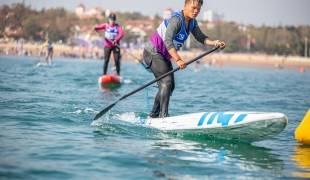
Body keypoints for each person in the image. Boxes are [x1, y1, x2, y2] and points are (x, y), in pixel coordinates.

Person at [143, 0, 226, 118]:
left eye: (198, 9)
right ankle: (163, 116)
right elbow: (168, 41)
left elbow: (201, 37)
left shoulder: (192, 22)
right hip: (152, 52)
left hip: (163, 56)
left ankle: (152, 116)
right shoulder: (177, 20)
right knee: (166, 82)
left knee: (169, 86)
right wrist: (178, 60)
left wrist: (215, 42)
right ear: (185, 6)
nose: (196, 11)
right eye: (193, 8)